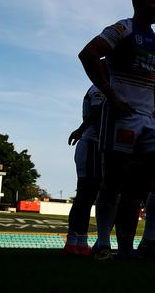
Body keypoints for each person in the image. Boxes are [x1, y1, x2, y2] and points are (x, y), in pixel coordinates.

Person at [78, 0, 155, 260]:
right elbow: (88, 54)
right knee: (113, 181)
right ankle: (102, 243)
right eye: (153, 2)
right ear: (138, 2)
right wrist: (110, 94)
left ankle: (149, 241)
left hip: (149, 120)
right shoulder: (122, 29)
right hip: (121, 117)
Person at [114, 49, 155, 258]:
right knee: (133, 190)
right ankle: (129, 247)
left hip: (154, 135)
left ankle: (149, 242)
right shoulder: (146, 80)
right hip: (138, 131)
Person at [63, 83, 105, 256]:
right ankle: (75, 241)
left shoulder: (99, 88)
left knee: (86, 196)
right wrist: (81, 130)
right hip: (92, 145)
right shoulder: (99, 89)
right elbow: (98, 113)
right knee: (85, 195)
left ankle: (78, 241)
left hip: (93, 145)